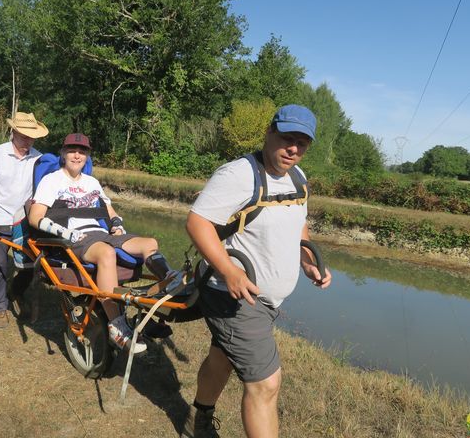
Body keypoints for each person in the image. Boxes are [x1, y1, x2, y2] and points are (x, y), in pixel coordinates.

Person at [181, 105, 332, 438]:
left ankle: (197, 420)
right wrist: (229, 271)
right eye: (287, 138)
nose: (294, 149)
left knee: (221, 356)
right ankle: (199, 421)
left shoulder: (298, 177)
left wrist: (307, 260)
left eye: (302, 143)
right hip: (232, 295)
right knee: (266, 384)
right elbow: (198, 222)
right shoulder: (239, 174)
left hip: (265, 300)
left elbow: (298, 224)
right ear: (269, 132)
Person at [28, 133, 179, 353]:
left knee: (150, 243)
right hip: (76, 238)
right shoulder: (51, 181)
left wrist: (117, 224)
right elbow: (35, 217)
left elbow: (109, 211)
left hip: (102, 233)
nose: (76, 155)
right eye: (71, 150)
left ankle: (169, 287)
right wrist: (66, 233)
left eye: (82, 151)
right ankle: (117, 327)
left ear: (87, 156)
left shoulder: (92, 182)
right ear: (63, 153)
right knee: (107, 253)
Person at [0, 112, 49, 329]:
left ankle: (15, 291)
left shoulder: (38, 159)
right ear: (13, 132)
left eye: (31, 136)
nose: (28, 140)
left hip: (24, 222)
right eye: (24, 135)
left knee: (26, 266)